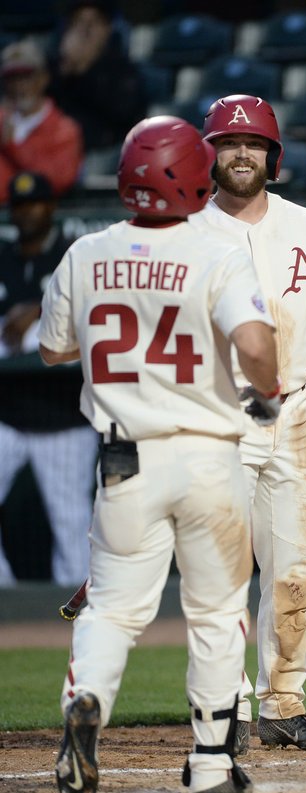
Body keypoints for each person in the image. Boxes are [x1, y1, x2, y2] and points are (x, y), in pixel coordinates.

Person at [39, 114, 281, 793]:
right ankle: (210, 764)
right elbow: (259, 347)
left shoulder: (84, 254)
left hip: (125, 460)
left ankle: (87, 698)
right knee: (214, 611)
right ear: (195, 178)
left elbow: (53, 348)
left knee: (113, 610)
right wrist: (263, 393)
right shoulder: (216, 252)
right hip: (209, 455)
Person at [190, 93, 306, 754]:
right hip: (218, 414)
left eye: (253, 144)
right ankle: (220, 709)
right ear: (207, 154)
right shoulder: (184, 231)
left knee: (294, 574)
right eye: (227, 144)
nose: (241, 154)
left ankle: (282, 703)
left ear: (275, 155)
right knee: (218, 577)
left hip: (294, 412)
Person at [0, 171, 94, 587]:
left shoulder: (74, 252)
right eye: (19, 205)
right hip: (10, 416)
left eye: (34, 203)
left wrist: (39, 308)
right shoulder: (3, 256)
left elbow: (95, 304)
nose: (26, 212)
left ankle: (72, 625)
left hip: (63, 419)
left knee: (71, 523)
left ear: (51, 206)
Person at [47, 0, 148, 152]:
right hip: (58, 150)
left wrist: (84, 70)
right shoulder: (56, 69)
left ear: (107, 28)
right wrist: (65, 71)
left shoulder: (123, 69)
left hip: (107, 153)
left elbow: (123, 114)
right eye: (78, 22)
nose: (85, 31)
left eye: (93, 22)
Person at [0, 39, 83, 205]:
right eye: (12, 78)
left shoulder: (64, 130)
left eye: (26, 77)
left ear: (43, 78)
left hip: (44, 223)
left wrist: (14, 147)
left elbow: (58, 180)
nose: (18, 85)